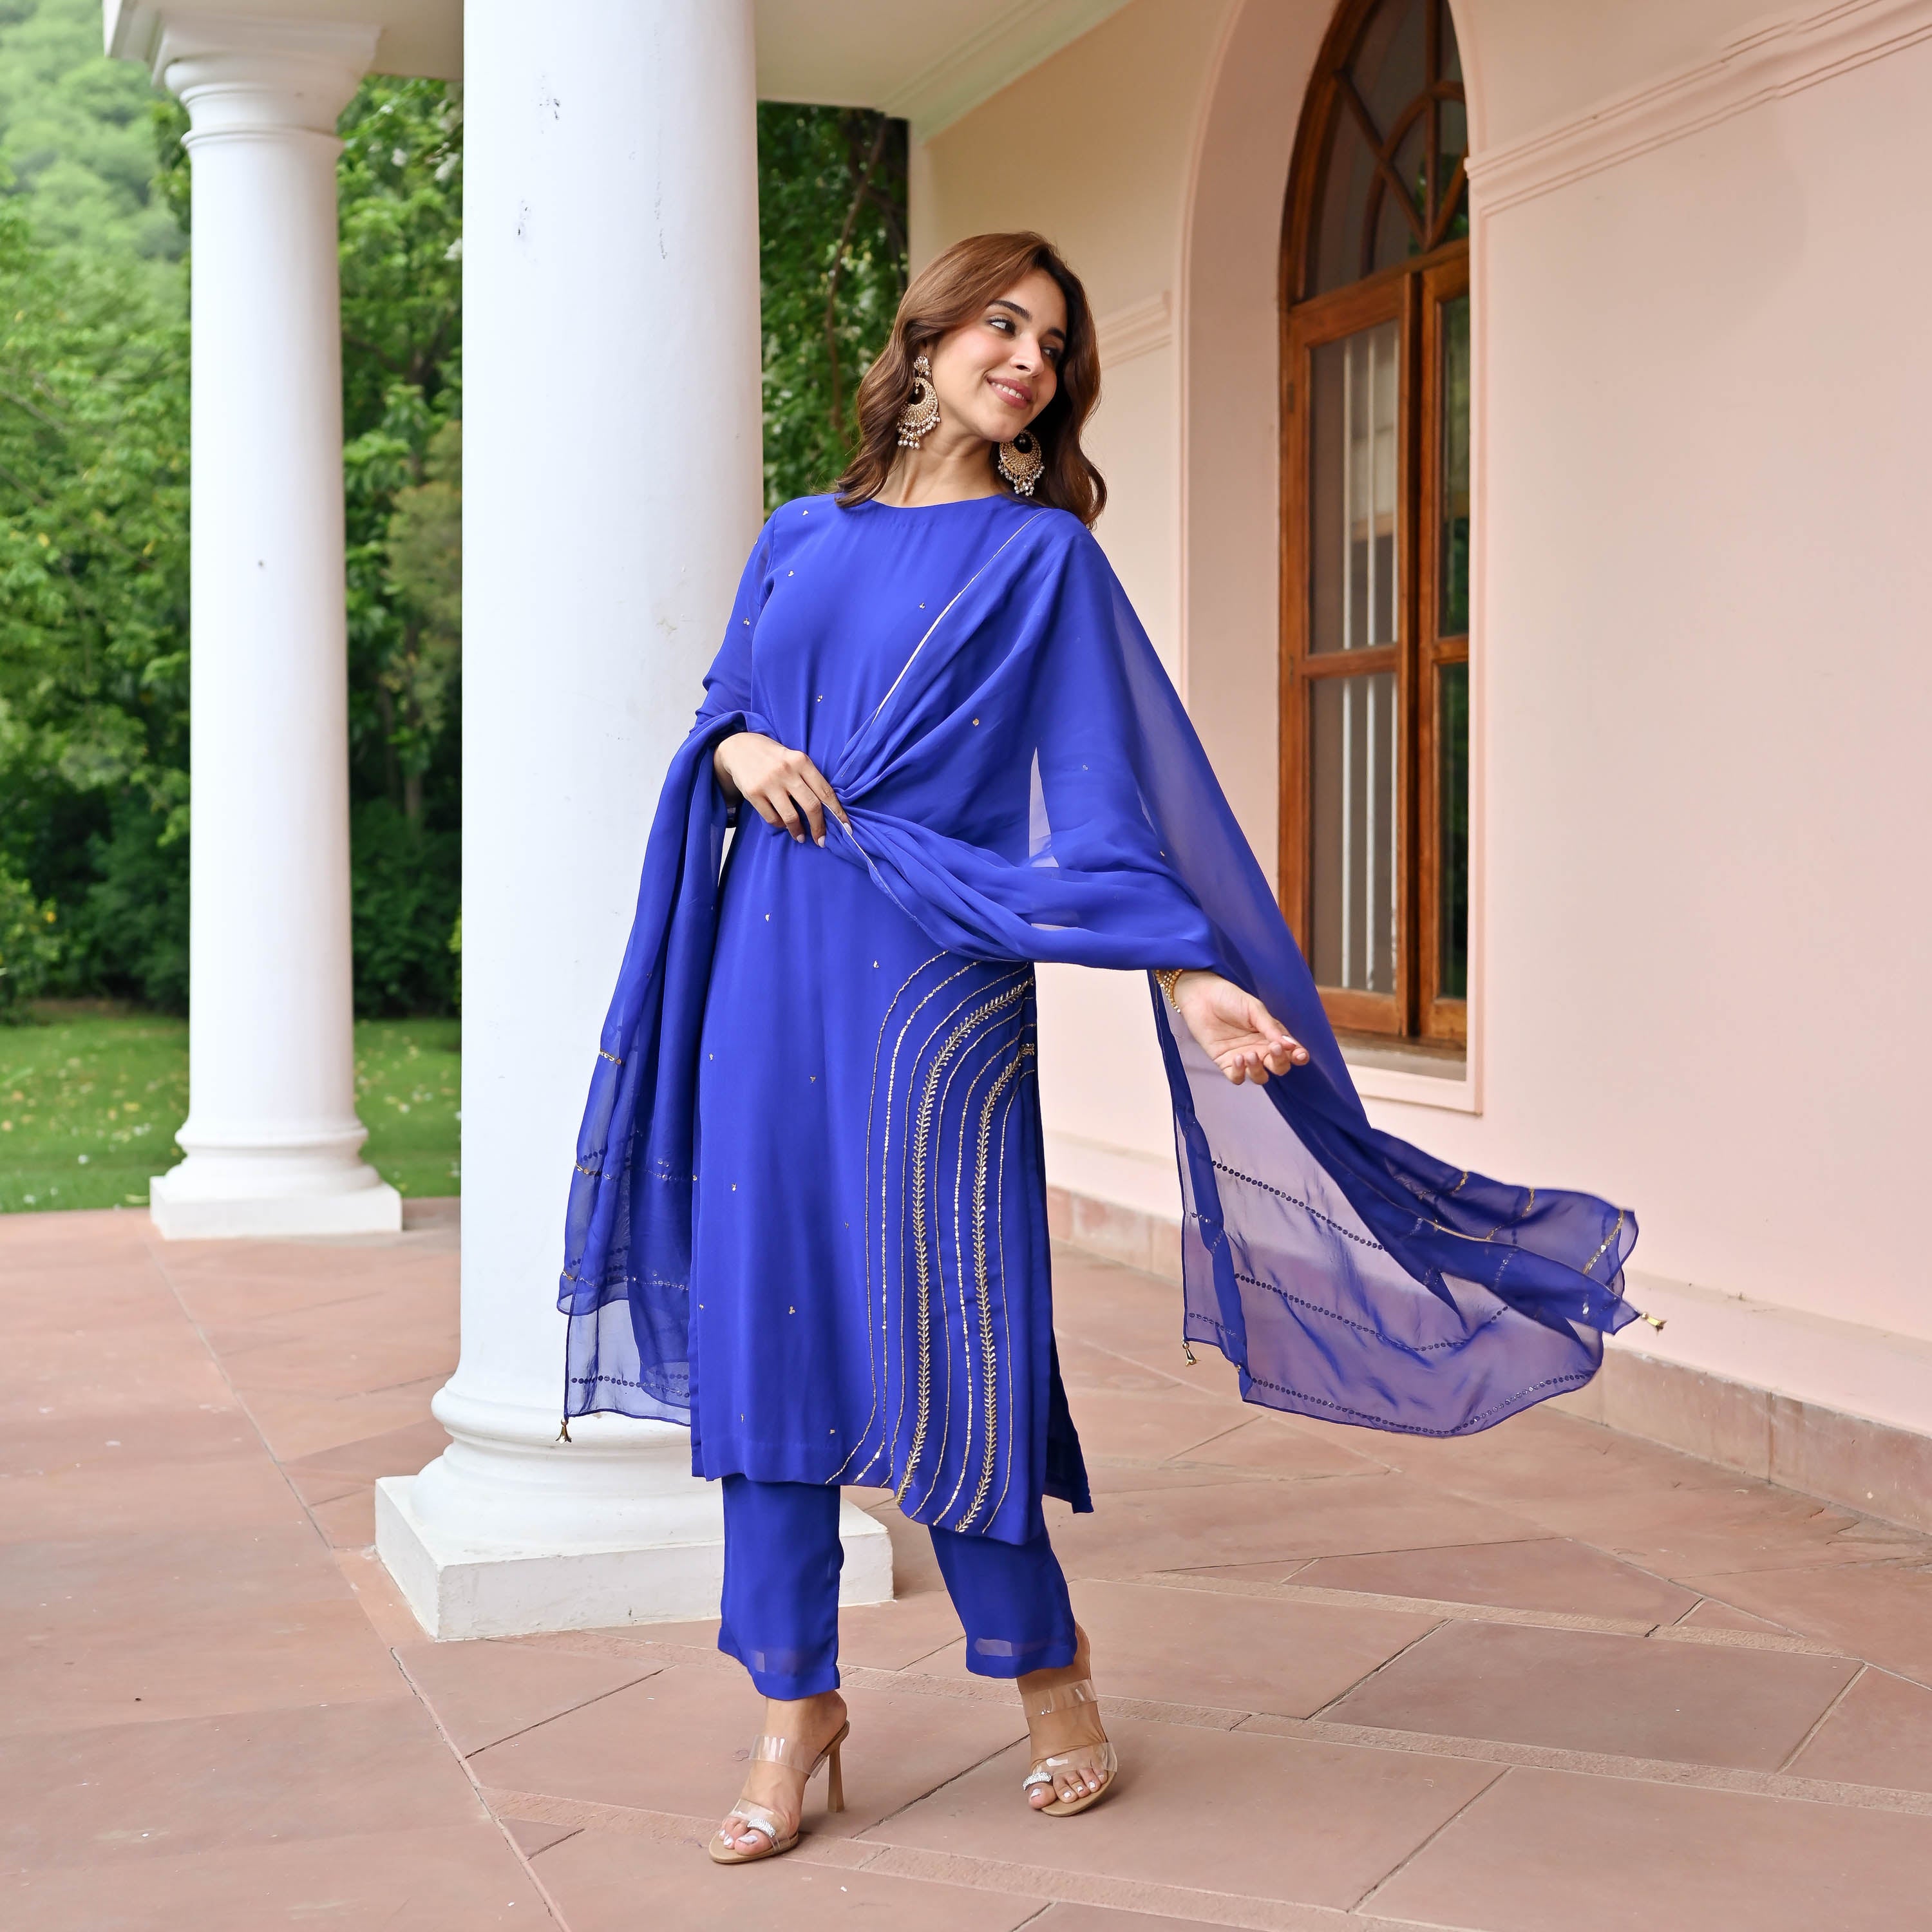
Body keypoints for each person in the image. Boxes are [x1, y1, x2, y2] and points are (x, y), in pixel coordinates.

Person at [558, 232, 1640, 1866]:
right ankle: (793, 1706)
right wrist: (744, 747)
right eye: (1003, 325)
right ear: (926, 340)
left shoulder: (1043, 560)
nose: (1029, 360)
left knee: (954, 1330)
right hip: (770, 970)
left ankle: (1045, 1666)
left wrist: (1191, 976)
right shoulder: (797, 534)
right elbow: (723, 705)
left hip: (938, 983)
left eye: (1054, 345)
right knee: (772, 1326)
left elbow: (1107, 800)